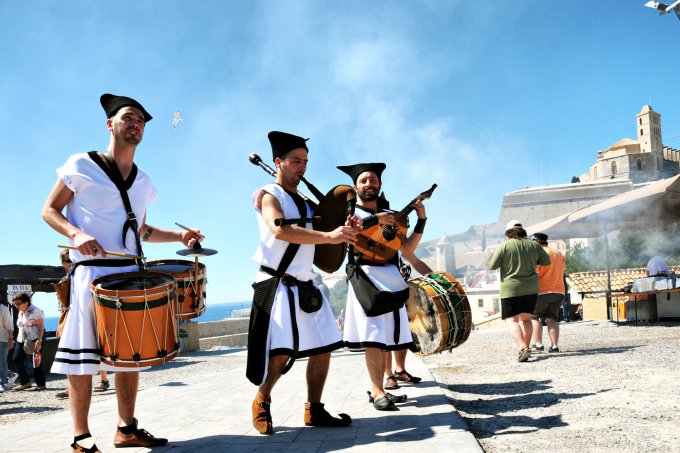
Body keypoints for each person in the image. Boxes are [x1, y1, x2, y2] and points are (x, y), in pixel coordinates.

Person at [42, 93, 203, 452]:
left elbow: (142, 231)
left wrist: (179, 235)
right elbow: (49, 211)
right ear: (109, 124)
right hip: (91, 274)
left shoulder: (144, 181)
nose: (136, 124)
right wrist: (77, 234)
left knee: (130, 355)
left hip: (129, 272)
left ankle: (126, 429)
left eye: (142, 122)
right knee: (82, 360)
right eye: (129, 117)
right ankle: (81, 439)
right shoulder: (81, 164)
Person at [247, 131, 356, 435]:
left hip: (307, 284)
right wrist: (328, 236)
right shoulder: (269, 195)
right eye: (296, 161)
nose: (302, 167)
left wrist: (346, 229)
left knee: (323, 347)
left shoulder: (308, 207)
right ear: (278, 162)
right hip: (278, 284)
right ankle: (262, 399)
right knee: (281, 352)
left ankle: (315, 410)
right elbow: (279, 229)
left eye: (305, 161)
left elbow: (328, 240)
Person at [338, 162, 426, 410]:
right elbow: (348, 235)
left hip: (392, 279)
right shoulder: (350, 214)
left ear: (380, 184)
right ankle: (376, 391)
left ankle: (383, 386)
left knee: (386, 338)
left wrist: (421, 220)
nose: (369, 184)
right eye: (364, 180)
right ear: (356, 186)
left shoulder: (393, 215)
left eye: (373, 180)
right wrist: (376, 218)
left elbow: (406, 250)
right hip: (365, 278)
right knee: (374, 338)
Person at [487, 220, 550, 363]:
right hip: (531, 287)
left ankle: (522, 346)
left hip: (511, 288)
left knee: (511, 319)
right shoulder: (533, 245)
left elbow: (491, 265)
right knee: (526, 319)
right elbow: (546, 261)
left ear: (508, 232)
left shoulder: (504, 246)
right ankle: (526, 347)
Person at [55, 250, 111, 400]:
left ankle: (103, 380)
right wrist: (60, 324)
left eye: (71, 260)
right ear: (63, 263)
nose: (70, 263)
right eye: (67, 261)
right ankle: (72, 388)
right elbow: (63, 305)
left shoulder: (83, 274)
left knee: (96, 349)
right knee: (71, 356)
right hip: (70, 316)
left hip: (85, 315)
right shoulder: (65, 279)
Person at [383, 243, 433, 390]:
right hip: (380, 286)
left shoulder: (398, 231)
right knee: (385, 334)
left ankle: (399, 370)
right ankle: (389, 375)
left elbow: (409, 256)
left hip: (398, 286)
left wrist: (436, 278)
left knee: (401, 331)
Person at [529, 233, 565, 354]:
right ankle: (554, 346)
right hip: (559, 291)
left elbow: (534, 274)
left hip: (542, 291)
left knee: (534, 317)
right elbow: (562, 271)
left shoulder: (537, 254)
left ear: (538, 241)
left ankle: (538, 344)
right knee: (552, 319)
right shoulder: (558, 254)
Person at [11, 292, 46, 391]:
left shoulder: (35, 311)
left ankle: (41, 384)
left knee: (36, 361)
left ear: (26, 302)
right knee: (16, 358)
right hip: (21, 338)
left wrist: (39, 340)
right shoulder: (21, 311)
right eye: (15, 303)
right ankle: (25, 382)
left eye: (18, 303)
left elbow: (40, 326)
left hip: (34, 338)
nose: (16, 305)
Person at [0, 297, 18, 392]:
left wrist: (10, 339)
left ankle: (2, 383)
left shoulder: (4, 309)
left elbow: (9, 326)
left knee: (2, 362)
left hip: (3, 339)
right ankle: (11, 374)